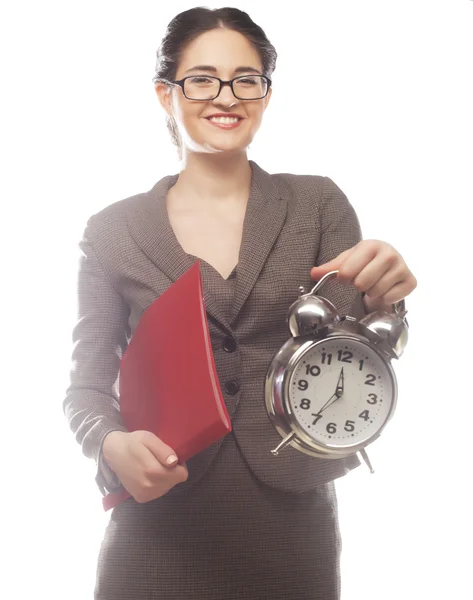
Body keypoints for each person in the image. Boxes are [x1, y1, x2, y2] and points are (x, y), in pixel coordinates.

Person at [63, 7, 417, 600]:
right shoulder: (112, 231)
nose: (225, 96)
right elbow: (87, 386)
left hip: (289, 529)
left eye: (245, 79)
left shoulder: (318, 204)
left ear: (265, 93)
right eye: (201, 78)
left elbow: (357, 354)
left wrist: (389, 301)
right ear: (164, 94)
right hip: (155, 533)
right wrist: (109, 443)